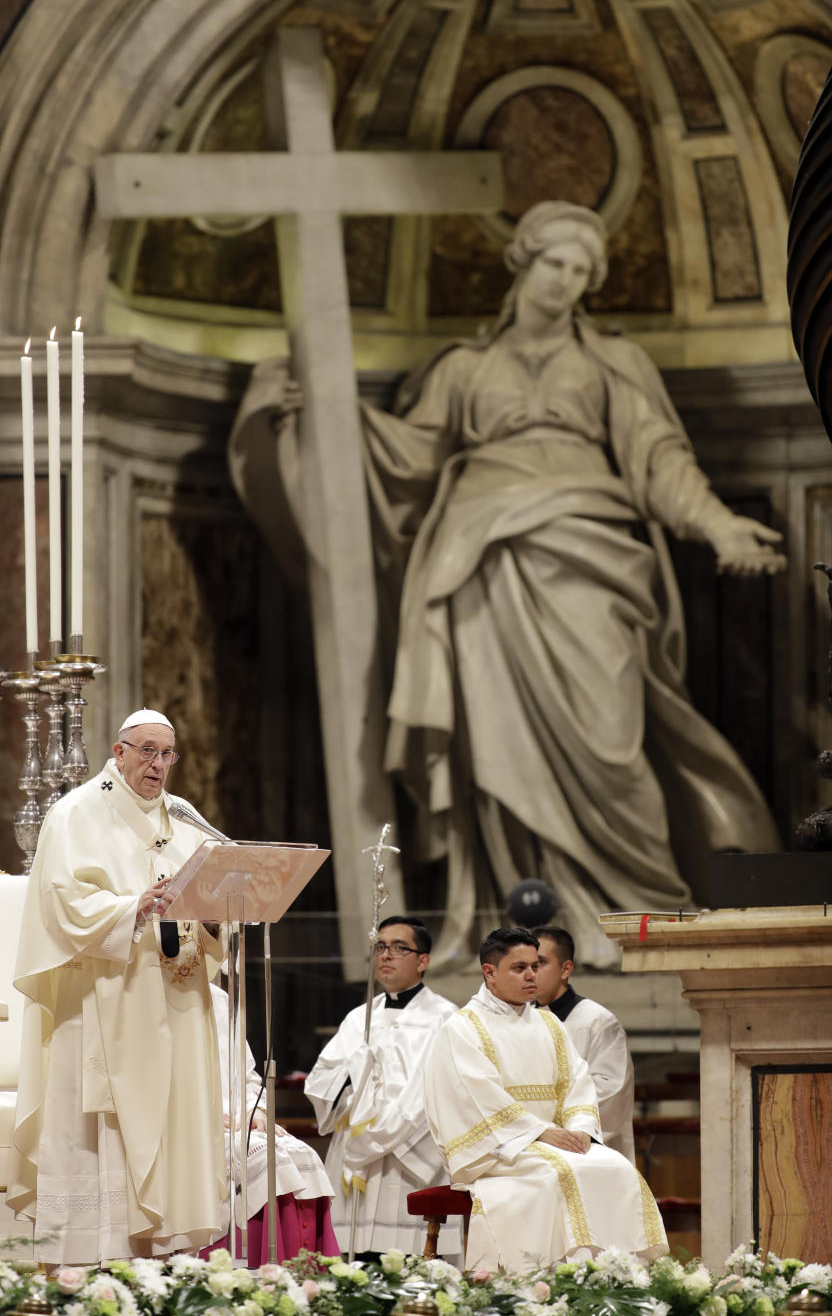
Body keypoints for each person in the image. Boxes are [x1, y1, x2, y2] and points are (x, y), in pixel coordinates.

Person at [230, 200, 785, 968]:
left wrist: (720, 526)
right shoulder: (462, 368)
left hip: (589, 557)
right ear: (523, 261)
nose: (569, 281)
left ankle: (630, 913)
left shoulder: (612, 364)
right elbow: (408, 458)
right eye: (557, 263)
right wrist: (323, 416)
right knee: (492, 749)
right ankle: (519, 925)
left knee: (610, 741)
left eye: (584, 271)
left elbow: (659, 460)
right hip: (478, 563)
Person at [7, 709, 228, 1263]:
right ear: (119, 750)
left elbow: (212, 899)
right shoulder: (75, 813)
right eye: (147, 751)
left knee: (170, 1118)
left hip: (173, 997)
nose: (157, 765)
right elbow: (62, 901)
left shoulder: (183, 822)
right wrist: (135, 906)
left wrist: (217, 919)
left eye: (167, 754)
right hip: (103, 998)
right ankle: (89, 1257)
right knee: (102, 1128)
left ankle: (161, 1253)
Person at [424, 927, 667, 1274]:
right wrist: (539, 1133)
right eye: (518, 968)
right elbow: (476, 1097)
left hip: (552, 1141)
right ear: (489, 972)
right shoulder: (463, 1028)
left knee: (616, 1168)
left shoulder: (548, 1023)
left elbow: (576, 1083)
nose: (530, 976)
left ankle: (617, 1278)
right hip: (500, 1149)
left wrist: (581, 1128)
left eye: (535, 966)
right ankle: (542, 1280)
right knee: (562, 1171)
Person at [303, 915, 459, 1258]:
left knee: (411, 1258)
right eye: (381, 947)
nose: (386, 955)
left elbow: (443, 1089)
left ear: (423, 961)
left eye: (400, 948)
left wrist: (394, 1125)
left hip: (410, 1155)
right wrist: (354, 1073)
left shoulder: (445, 1018)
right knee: (356, 1259)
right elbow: (321, 1079)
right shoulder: (359, 1017)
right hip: (358, 1150)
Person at [202, 984, 339, 1262]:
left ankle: (302, 1272)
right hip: (194, 1123)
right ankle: (264, 1265)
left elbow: (248, 1077)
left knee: (303, 1154)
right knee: (266, 1160)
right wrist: (205, 1114)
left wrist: (258, 1111)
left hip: (239, 1118)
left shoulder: (219, 999)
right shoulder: (155, 997)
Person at [532, 925, 636, 1162]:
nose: (531, 972)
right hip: (533, 1150)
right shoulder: (520, 1021)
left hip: (587, 1153)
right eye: (527, 965)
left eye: (541, 963)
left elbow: (610, 1091)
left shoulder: (598, 1022)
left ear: (566, 968)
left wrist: (546, 1123)